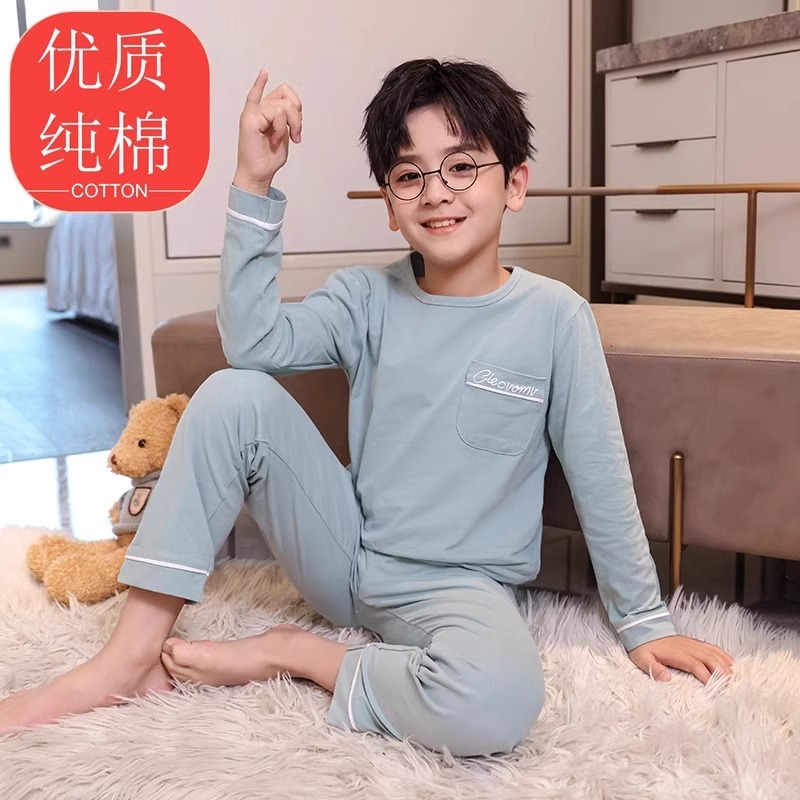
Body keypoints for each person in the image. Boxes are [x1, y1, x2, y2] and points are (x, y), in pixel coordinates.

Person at [0, 58, 733, 755]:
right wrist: (254, 180)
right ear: (389, 204)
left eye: (462, 166)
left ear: (515, 183)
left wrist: (645, 622)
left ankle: (296, 654)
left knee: (500, 697)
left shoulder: (555, 318)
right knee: (233, 393)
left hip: (461, 589)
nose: (436, 192)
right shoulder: (365, 298)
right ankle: (127, 659)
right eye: (409, 175)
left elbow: (599, 474)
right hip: (344, 551)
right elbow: (251, 342)